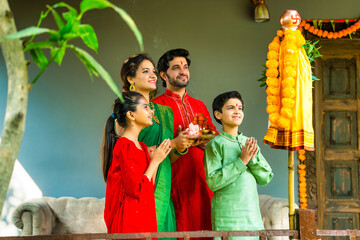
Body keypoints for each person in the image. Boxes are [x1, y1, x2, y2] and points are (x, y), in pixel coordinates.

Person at [120, 54, 193, 237]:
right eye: (146, 71)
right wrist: (172, 143)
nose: (153, 75)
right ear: (130, 78)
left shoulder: (163, 112)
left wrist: (180, 146)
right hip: (139, 193)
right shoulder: (126, 110)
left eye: (153, 71)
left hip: (162, 193)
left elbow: (165, 158)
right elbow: (126, 153)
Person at [152, 48, 215, 236]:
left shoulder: (199, 105)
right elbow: (150, 149)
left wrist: (207, 141)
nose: (183, 71)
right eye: (176, 68)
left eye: (185, 67)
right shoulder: (156, 106)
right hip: (173, 183)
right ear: (163, 75)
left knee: (206, 231)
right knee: (179, 231)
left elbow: (215, 137)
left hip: (202, 183)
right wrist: (176, 142)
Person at [204, 91, 274, 240]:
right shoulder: (215, 144)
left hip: (252, 216)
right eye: (231, 108)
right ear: (218, 114)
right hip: (228, 217)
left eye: (240, 108)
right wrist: (241, 162)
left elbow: (265, 178)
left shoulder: (249, 143)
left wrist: (252, 159)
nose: (237, 111)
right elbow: (213, 181)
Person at [101, 91, 172, 238]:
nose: (151, 111)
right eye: (145, 107)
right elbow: (135, 189)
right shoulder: (124, 145)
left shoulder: (141, 146)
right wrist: (156, 161)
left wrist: (156, 161)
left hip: (143, 215)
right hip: (130, 222)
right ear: (131, 115)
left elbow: (148, 186)